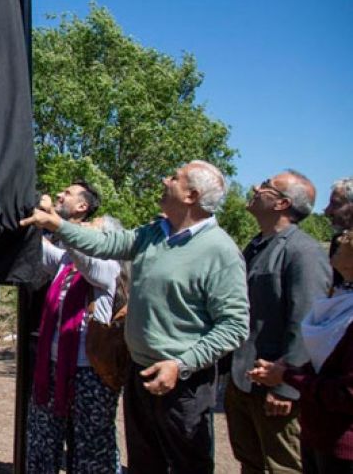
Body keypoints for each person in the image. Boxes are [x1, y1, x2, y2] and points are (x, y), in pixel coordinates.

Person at [20, 160, 249, 473]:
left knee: (185, 465)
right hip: (140, 372)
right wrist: (57, 225)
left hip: (181, 382)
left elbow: (234, 327)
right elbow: (106, 244)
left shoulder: (219, 250)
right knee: (145, 463)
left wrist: (181, 365)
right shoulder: (155, 233)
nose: (164, 179)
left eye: (174, 177)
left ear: (191, 195)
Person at [225, 170, 331, 473]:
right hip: (243, 380)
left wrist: (287, 387)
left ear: (282, 203)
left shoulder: (303, 251)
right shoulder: (257, 245)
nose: (256, 188)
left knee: (282, 468)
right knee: (251, 463)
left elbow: (308, 323)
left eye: (266, 186)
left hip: (275, 386)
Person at [25, 179, 122, 474]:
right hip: (53, 366)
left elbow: (80, 250)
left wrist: (55, 223)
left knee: (92, 445)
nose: (59, 195)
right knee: (42, 436)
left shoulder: (106, 264)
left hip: (90, 371)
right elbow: (38, 247)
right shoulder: (68, 262)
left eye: (67, 193)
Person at [248, 219, 353, 474]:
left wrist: (287, 377)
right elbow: (327, 363)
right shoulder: (339, 299)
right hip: (319, 433)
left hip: (343, 446)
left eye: (344, 245)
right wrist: (290, 367)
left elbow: (346, 393)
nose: (336, 245)